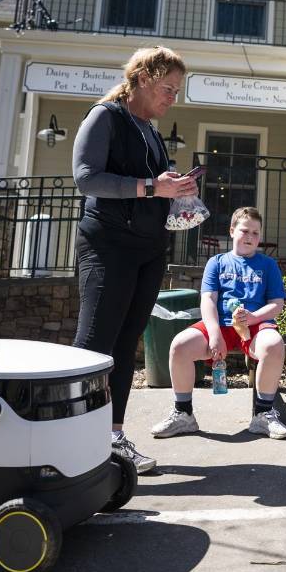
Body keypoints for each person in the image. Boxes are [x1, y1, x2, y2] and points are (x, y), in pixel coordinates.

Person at [71, 46, 198, 473]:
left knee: (126, 346)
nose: (173, 98)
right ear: (143, 78)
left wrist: (177, 190)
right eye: (168, 89)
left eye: (177, 91)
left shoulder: (152, 132)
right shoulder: (105, 116)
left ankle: (112, 439)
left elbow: (154, 186)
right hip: (108, 244)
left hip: (149, 249)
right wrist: (151, 186)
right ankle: (72, 440)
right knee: (95, 345)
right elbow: (86, 178)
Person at [150, 206, 286, 440]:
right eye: (245, 230)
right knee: (179, 345)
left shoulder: (268, 265)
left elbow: (277, 304)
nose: (250, 237)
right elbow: (208, 300)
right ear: (232, 230)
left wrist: (254, 317)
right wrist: (214, 334)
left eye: (255, 233)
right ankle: (183, 414)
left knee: (274, 344)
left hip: (254, 326)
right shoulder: (216, 262)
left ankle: (263, 415)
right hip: (220, 324)